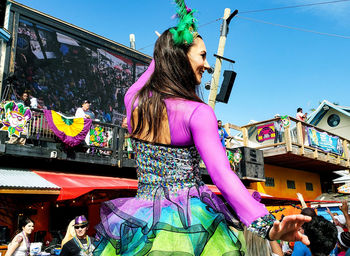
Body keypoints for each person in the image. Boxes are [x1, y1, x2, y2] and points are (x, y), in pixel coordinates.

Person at [94, 2, 311, 255]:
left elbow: (155, 67)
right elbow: (222, 175)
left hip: (143, 222)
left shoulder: (133, 101)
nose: (207, 65)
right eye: (202, 55)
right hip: (193, 223)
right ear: (180, 58)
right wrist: (266, 226)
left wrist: (167, 47)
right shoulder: (198, 113)